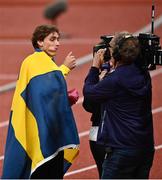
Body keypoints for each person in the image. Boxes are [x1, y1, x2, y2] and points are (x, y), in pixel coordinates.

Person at [2, 24, 79, 179]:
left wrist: (65, 98)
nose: (57, 43)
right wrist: (64, 68)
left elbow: (45, 96)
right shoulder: (34, 61)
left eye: (58, 39)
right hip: (41, 131)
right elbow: (47, 89)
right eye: (52, 39)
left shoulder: (45, 62)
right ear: (39, 42)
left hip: (49, 129)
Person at [83, 31, 155, 179]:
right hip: (145, 147)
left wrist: (95, 67)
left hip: (121, 149)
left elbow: (89, 93)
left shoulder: (114, 80)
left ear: (116, 53)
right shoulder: (143, 74)